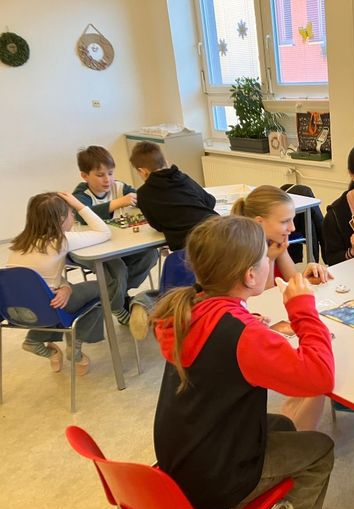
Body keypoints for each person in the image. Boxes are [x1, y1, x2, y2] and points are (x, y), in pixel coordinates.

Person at [152, 215, 335, 509]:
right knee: (320, 449)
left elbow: (223, 352)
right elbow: (320, 378)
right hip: (214, 476)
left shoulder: (193, 306)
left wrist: (251, 324)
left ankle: (270, 505)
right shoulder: (242, 335)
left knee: (283, 425)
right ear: (250, 275)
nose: (269, 261)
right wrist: (303, 308)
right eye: (265, 257)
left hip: (181, 456)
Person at [232, 185, 333, 430]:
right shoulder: (245, 252)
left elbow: (288, 281)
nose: (293, 228)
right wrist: (269, 257)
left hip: (266, 320)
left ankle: (295, 419)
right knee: (313, 372)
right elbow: (263, 294)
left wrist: (307, 273)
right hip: (259, 323)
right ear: (260, 222)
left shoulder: (275, 243)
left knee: (311, 368)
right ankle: (296, 430)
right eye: (285, 221)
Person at [6, 192, 111, 375]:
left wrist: (65, 287)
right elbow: (104, 232)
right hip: (49, 308)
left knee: (57, 295)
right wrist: (80, 205)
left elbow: (37, 277)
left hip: (17, 312)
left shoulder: (21, 243)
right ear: (62, 219)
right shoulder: (61, 240)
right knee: (103, 287)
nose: (73, 215)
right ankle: (75, 346)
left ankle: (36, 340)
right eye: (71, 212)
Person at [71, 146, 159, 325]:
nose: (107, 179)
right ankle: (117, 304)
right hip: (92, 249)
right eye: (100, 175)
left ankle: (116, 296)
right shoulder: (81, 194)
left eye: (110, 173)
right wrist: (119, 202)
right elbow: (83, 213)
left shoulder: (119, 187)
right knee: (117, 269)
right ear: (85, 176)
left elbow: (140, 197)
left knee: (150, 255)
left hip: (118, 244)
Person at [130, 141, 217, 251]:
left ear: (142, 171)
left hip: (191, 246)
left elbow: (157, 226)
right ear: (166, 162)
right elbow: (210, 201)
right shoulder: (182, 178)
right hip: (218, 230)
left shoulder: (144, 193)